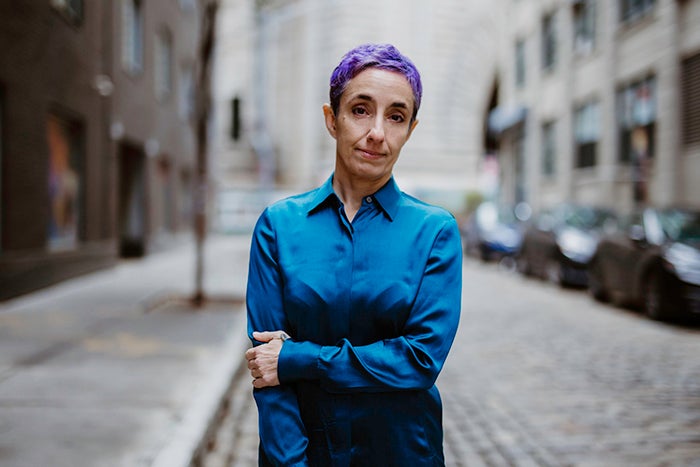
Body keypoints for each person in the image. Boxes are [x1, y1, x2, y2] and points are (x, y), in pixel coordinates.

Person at [245, 43, 462, 466]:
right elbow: (266, 372)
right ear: (333, 119)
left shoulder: (435, 232)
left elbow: (418, 361)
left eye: (396, 117)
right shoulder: (279, 226)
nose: (377, 132)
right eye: (361, 109)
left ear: (410, 130)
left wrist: (297, 358)